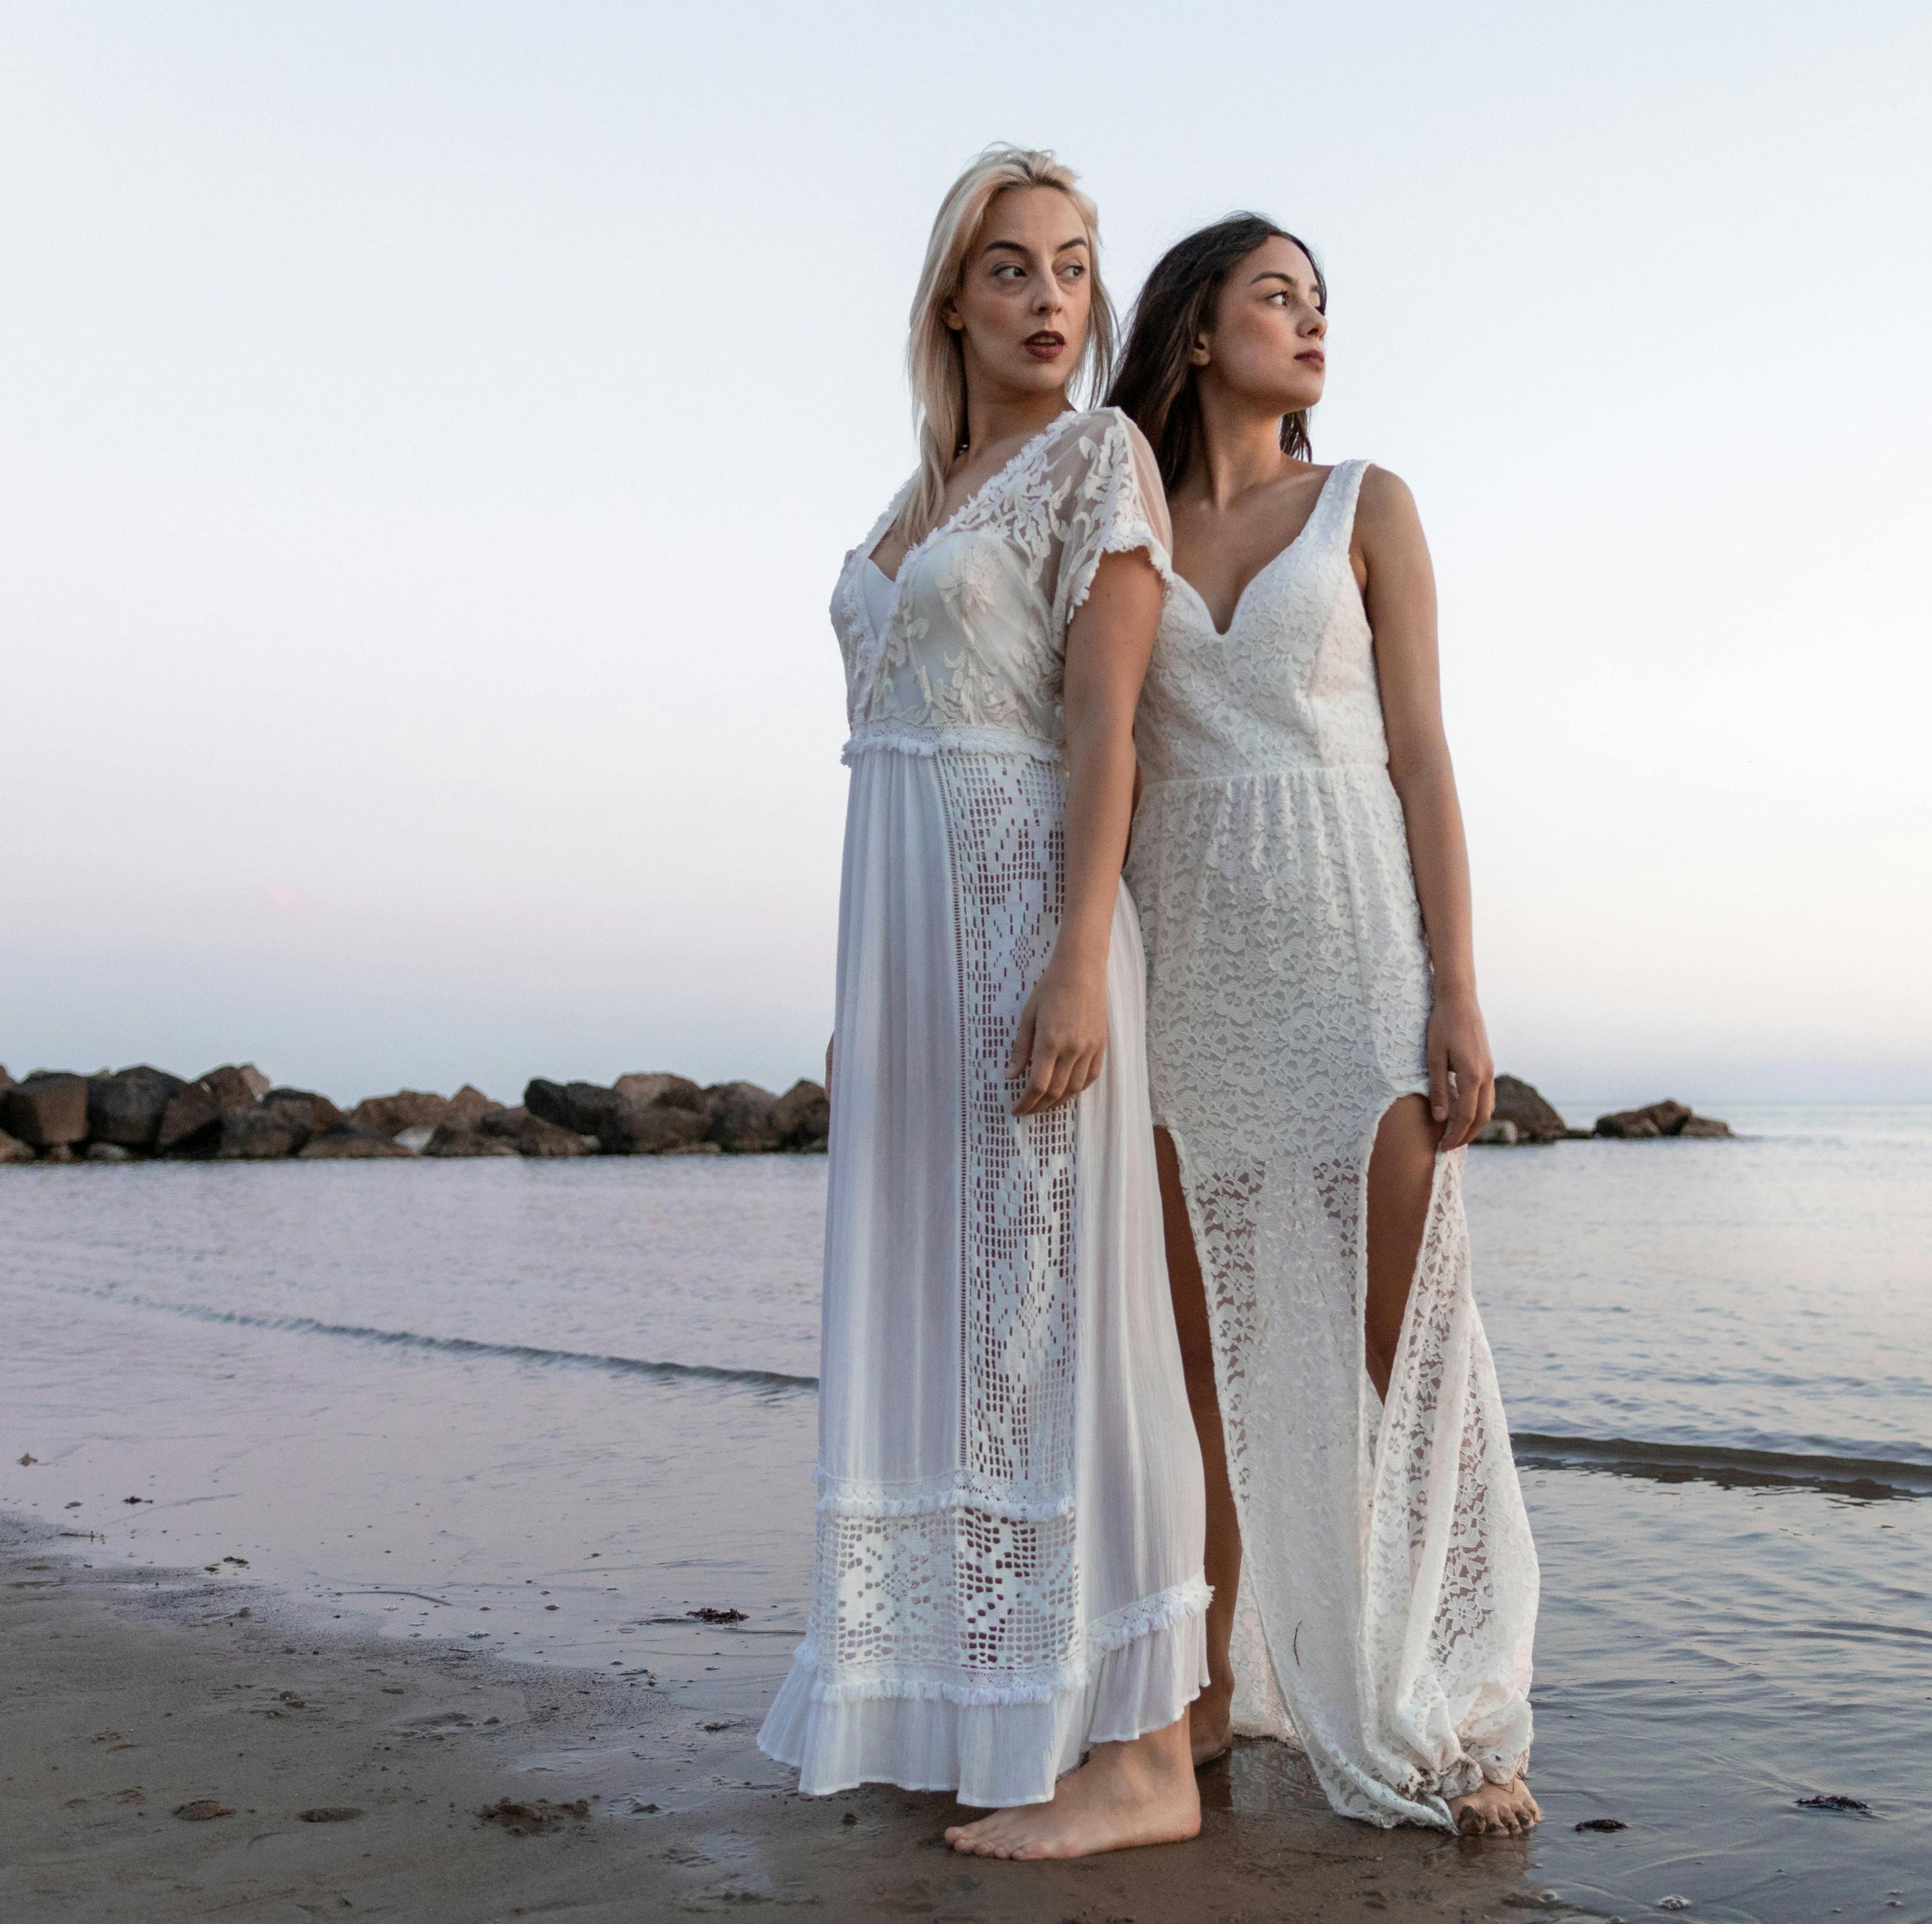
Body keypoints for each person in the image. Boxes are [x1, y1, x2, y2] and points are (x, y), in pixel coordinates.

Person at [756, 146, 1208, 1862]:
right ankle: (977, 1696)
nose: (1050, 301)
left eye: (1077, 269)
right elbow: (882, 756)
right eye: (1013, 268)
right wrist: (860, 1000)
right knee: (954, 1323)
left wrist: (1079, 956)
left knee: (1065, 1321)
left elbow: (1107, 727)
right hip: (905, 947)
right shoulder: (910, 501)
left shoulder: (1101, 460)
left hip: (1031, 916)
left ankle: (1148, 1751)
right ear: (952, 295)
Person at [1109, 214, 1542, 1835]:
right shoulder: (1128, 522)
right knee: (1209, 1348)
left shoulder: (1367, 503)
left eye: (1320, 304)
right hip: (1192, 959)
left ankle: (1466, 1699)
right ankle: (1214, 1686)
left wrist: (1460, 985)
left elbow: (1424, 753)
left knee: (1407, 1343)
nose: (1310, 325)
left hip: (1355, 944)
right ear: (1198, 327)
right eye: (1276, 296)